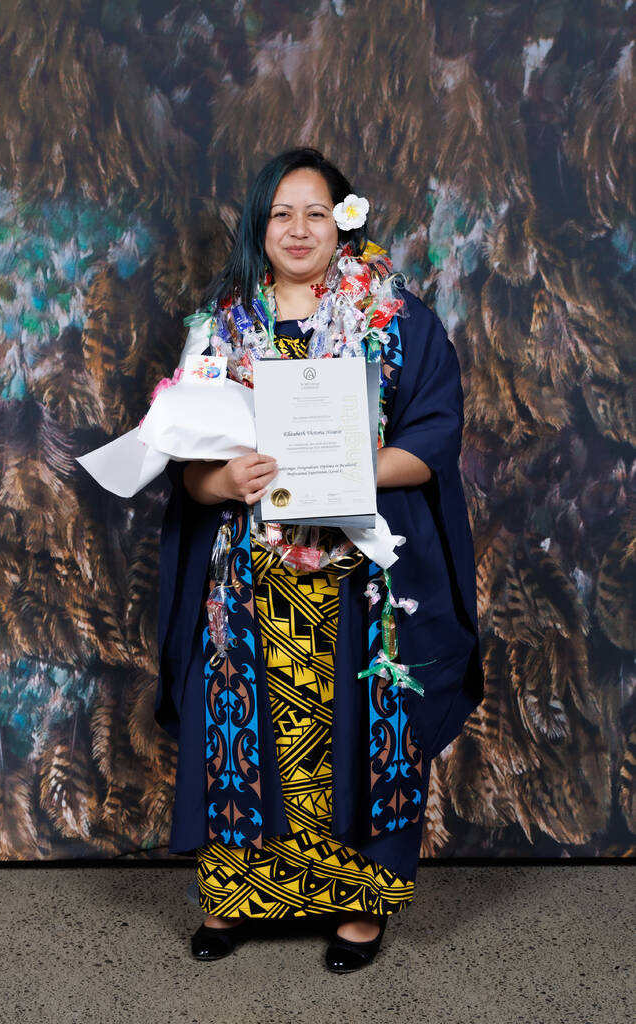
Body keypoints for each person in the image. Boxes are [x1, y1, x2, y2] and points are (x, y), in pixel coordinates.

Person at [154, 147, 484, 972]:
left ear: (344, 220)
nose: (297, 230)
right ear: (258, 227)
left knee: (361, 745)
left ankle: (359, 912)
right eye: (280, 215)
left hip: (360, 587)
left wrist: (351, 464)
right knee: (240, 741)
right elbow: (187, 468)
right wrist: (222, 477)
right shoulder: (220, 329)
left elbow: (435, 437)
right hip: (246, 589)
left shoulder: (397, 320)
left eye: (315, 213)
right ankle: (238, 900)